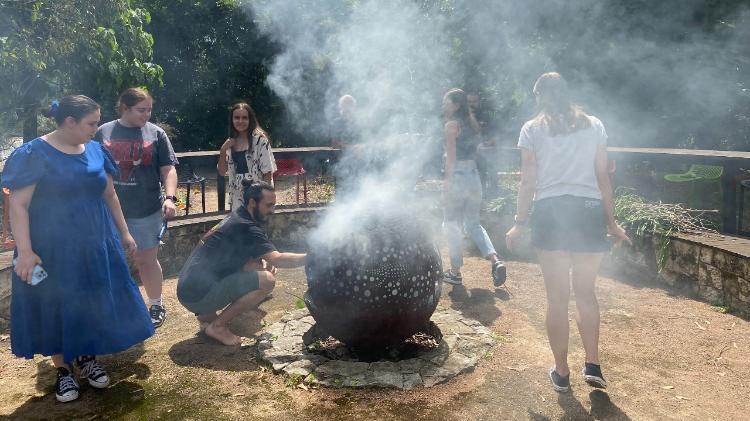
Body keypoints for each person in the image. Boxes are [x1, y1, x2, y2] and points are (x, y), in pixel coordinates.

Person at [3, 95, 154, 403]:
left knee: (90, 301)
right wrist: (26, 251)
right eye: (91, 123)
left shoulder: (96, 150)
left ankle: (87, 357)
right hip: (51, 248)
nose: (96, 129)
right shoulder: (34, 154)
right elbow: (18, 204)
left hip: (95, 243)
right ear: (69, 122)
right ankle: (63, 369)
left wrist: (124, 232)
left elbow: (109, 195)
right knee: (56, 304)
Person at [505, 72, 630, 393]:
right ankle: (593, 364)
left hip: (550, 212)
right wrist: (612, 223)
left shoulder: (532, 129)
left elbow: (528, 181)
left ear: (539, 96)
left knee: (557, 299)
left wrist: (519, 222)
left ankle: (562, 372)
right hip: (588, 212)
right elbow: (603, 177)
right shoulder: (594, 125)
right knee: (586, 293)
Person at [177, 181, 306, 345]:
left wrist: (260, 265)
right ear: (252, 202)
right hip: (197, 296)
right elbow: (277, 259)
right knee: (267, 280)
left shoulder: (237, 217)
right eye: (269, 205)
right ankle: (217, 327)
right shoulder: (247, 227)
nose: (272, 210)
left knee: (259, 268)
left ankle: (206, 315)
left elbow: (245, 261)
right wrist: (313, 257)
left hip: (187, 291)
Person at [95, 88, 179, 329]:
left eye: (149, 109)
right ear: (125, 108)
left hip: (146, 209)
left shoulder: (156, 133)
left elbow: (168, 168)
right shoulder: (103, 132)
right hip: (108, 211)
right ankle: (112, 309)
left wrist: (170, 197)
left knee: (146, 260)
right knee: (109, 262)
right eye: (141, 110)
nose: (147, 114)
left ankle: (156, 305)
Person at [441, 88, 506, 287]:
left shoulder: (451, 125)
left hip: (458, 176)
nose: (444, 106)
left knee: (451, 223)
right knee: (473, 224)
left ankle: (455, 272)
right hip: (474, 175)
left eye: (446, 103)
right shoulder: (472, 123)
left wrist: (446, 184)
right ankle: (496, 261)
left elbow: (451, 157)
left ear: (456, 105)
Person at [217, 102, 277, 210]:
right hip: (237, 196)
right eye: (237, 117)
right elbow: (221, 172)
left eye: (244, 118)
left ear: (250, 120)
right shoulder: (230, 143)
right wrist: (223, 150)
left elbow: (268, 173)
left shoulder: (260, 141)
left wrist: (264, 199)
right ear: (232, 120)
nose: (240, 121)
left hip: (258, 195)